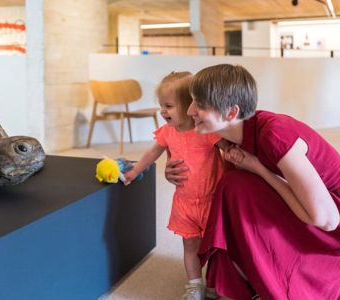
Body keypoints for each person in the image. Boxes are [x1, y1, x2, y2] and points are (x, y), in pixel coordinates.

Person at [165, 63, 340, 299]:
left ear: (231, 113)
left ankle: (290, 273)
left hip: (330, 220)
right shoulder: (233, 136)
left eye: (200, 105)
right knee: (233, 186)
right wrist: (173, 173)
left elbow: (326, 219)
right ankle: (254, 275)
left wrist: (259, 169)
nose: (190, 111)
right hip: (313, 209)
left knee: (238, 186)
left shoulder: (274, 134)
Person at [124, 71, 225, 300]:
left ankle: (215, 282)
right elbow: (153, 152)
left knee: (216, 247)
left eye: (168, 105)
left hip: (211, 200)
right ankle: (194, 284)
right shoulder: (167, 133)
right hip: (185, 202)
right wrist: (135, 170)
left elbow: (228, 150)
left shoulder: (206, 131)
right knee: (190, 245)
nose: (163, 111)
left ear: (190, 105)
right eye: (161, 105)